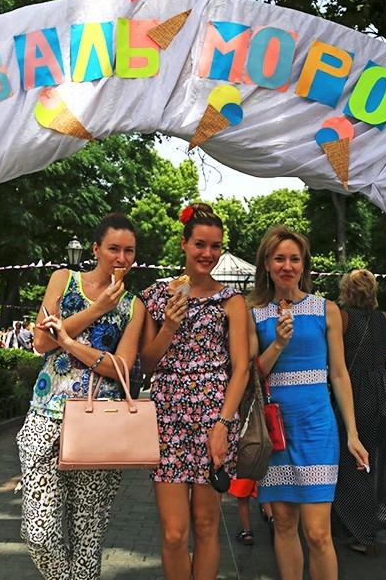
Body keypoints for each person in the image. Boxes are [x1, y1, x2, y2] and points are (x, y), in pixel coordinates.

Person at [16, 213, 145, 580]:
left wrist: (70, 343)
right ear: (96, 249)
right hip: (46, 417)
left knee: (87, 539)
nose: (121, 258)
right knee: (39, 535)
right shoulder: (63, 279)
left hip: (99, 424)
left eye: (129, 251)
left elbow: (121, 367)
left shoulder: (134, 306)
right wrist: (98, 308)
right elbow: (42, 342)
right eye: (114, 249)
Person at [246, 225, 368, 580]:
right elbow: (252, 374)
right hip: (276, 430)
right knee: (284, 523)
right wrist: (278, 344)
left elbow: (339, 374)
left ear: (304, 265)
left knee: (317, 532)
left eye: (294, 259)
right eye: (279, 259)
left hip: (317, 427)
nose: (287, 266)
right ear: (267, 264)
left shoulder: (326, 310)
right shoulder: (254, 313)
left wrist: (353, 433)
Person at [139, 203, 249, 580]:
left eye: (215, 246)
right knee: (174, 534)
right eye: (200, 244)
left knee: (205, 526)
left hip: (213, 419)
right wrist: (169, 326)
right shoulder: (157, 295)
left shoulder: (231, 301)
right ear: (184, 244)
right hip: (167, 419)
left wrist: (223, 425)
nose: (208, 253)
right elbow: (146, 364)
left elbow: (241, 368)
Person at [333, 269, 386, 555]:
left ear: (347, 290)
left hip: (356, 391)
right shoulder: (385, 319)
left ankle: (362, 533)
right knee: (378, 461)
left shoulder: (343, 318)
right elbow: (383, 352)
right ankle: (374, 521)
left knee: (352, 462)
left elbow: (338, 359)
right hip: (385, 390)